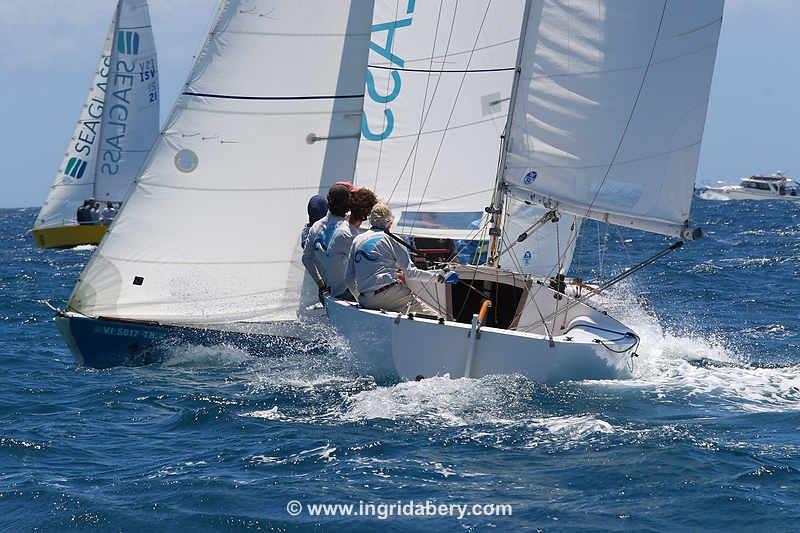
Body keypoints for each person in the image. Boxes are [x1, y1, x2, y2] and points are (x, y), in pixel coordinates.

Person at [345, 203, 440, 315]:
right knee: (436, 317)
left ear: (371, 220)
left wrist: (361, 299)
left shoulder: (357, 240)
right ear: (389, 221)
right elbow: (410, 273)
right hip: (391, 294)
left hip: (367, 300)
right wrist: (439, 277)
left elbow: (348, 279)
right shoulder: (393, 239)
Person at [324, 187, 377, 298]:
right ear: (367, 214)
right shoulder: (348, 235)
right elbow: (365, 267)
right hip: (343, 292)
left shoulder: (345, 228)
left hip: (340, 287)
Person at [302, 182, 352, 301]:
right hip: (347, 292)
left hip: (328, 291)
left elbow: (306, 258)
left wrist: (321, 283)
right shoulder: (346, 229)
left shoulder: (315, 227)